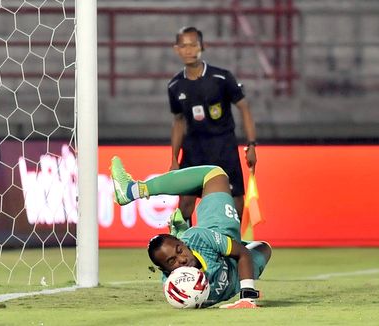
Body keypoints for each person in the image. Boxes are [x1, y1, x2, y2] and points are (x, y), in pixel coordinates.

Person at [110, 156, 271, 308]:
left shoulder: (198, 238)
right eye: (172, 261)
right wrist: (245, 289)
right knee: (264, 248)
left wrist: (247, 295)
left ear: (184, 245)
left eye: (179, 251)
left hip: (217, 229)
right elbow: (244, 254)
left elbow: (242, 252)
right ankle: (141, 196)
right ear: (166, 271)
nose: (181, 260)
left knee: (215, 176)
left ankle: (133, 191)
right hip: (234, 274)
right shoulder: (175, 286)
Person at [168, 26, 258, 226]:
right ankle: (188, 250)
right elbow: (179, 121)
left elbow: (244, 107)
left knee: (235, 204)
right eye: (184, 46)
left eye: (193, 45)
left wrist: (251, 144)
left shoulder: (222, 78)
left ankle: (230, 250)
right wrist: (174, 158)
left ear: (203, 47)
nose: (189, 50)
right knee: (185, 205)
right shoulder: (175, 86)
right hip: (193, 149)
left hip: (223, 146)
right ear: (177, 49)